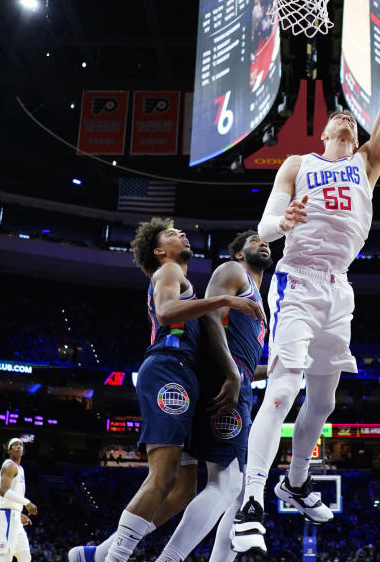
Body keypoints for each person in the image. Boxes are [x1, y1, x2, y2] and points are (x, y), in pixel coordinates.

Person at [232, 2, 380, 553]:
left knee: (323, 404)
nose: (346, 119)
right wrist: (286, 220)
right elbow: (263, 232)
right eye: (339, 117)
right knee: (282, 389)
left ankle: (297, 480)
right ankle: (252, 499)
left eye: (351, 117)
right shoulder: (298, 165)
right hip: (298, 282)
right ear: (325, 132)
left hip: (340, 288)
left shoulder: (367, 164)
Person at [70, 218, 264, 562]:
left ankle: (98, 553)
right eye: (173, 234)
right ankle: (116, 558)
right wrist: (227, 302)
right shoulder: (170, 271)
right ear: (160, 251)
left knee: (183, 489)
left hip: (184, 372)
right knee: (165, 475)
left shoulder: (182, 278)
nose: (183, 235)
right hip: (167, 368)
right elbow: (166, 312)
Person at [152, 230, 272, 562]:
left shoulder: (259, 302)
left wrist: (275, 371)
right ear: (239, 254)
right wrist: (232, 374)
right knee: (228, 483)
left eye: (265, 242)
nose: (263, 244)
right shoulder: (234, 273)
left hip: (233, 378)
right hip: (223, 380)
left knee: (235, 493)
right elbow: (209, 318)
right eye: (253, 241)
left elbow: (245, 361)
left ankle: (101, 551)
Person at [0, 438, 38, 562]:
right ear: (8, 450)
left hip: (14, 516)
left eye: (21, 445)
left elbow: (13, 493)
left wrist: (18, 512)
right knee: (5, 557)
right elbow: (3, 491)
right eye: (15, 445)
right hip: (6, 516)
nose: (19, 446)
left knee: (25, 557)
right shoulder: (9, 465)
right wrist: (27, 503)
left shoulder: (20, 468)